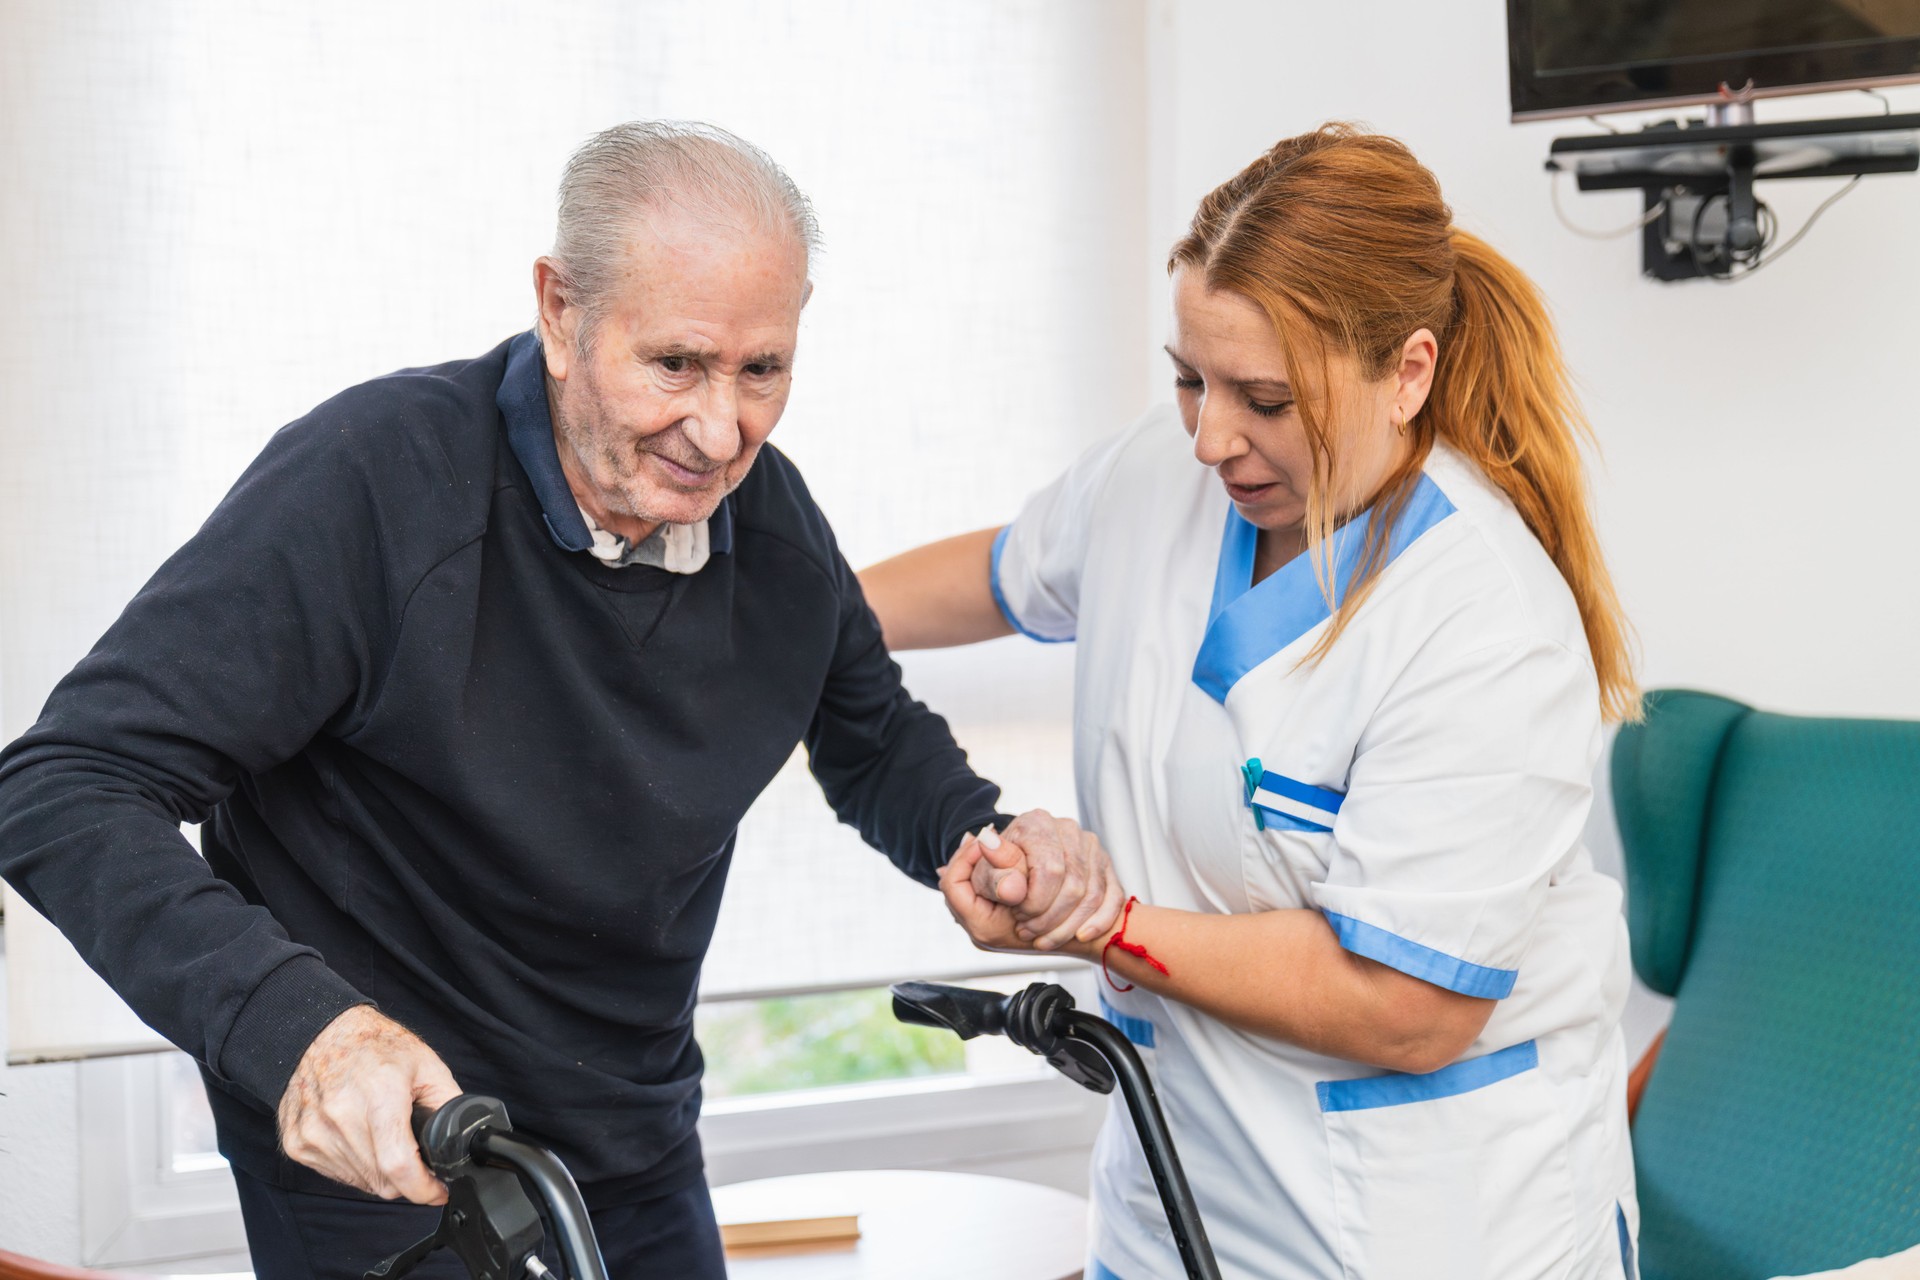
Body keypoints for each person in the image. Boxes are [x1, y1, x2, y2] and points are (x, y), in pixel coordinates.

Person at [0, 121, 1120, 1279]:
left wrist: (977, 837)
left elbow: (872, 734)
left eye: (762, 369)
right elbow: (65, 784)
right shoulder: (375, 484)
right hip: (392, 1153)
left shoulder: (773, 527)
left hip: (630, 1140)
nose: (721, 428)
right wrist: (299, 1033)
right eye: (675, 363)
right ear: (560, 308)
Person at [860, 124, 1642, 1280]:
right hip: (1169, 1208)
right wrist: (777, 621)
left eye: (1267, 398)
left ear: (1408, 372)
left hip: (1419, 1233)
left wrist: (1100, 921)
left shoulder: (1482, 621)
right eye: (1190, 378)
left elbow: (1406, 1005)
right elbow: (997, 575)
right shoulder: (1156, 481)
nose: (1213, 435)